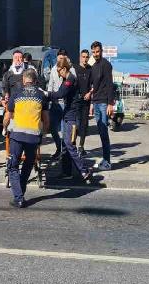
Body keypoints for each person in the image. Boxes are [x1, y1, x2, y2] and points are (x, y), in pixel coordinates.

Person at [3, 68, 49, 208]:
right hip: (33, 137)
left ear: (24, 80)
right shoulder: (41, 96)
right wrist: (44, 134)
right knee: (28, 164)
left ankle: (19, 198)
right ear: (35, 81)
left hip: (17, 136)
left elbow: (7, 116)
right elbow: (46, 120)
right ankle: (20, 192)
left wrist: (5, 128)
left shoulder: (16, 94)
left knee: (13, 166)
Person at [46, 57, 93, 182]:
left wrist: (47, 94)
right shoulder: (66, 79)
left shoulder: (70, 79)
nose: (58, 73)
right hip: (68, 115)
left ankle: (84, 170)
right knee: (65, 146)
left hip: (72, 117)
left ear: (64, 69)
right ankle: (67, 172)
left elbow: (60, 94)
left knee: (69, 144)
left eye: (59, 70)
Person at [89, 41, 115, 171]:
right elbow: (93, 86)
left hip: (104, 102)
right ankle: (105, 159)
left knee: (104, 132)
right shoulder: (93, 65)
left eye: (97, 51)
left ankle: (108, 162)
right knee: (101, 131)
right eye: (93, 52)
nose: (95, 54)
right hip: (96, 101)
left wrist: (111, 103)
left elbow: (110, 85)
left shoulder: (106, 65)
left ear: (101, 51)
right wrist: (92, 103)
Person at [47, 49, 73, 159]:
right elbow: (50, 85)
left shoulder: (71, 70)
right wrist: (49, 98)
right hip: (55, 103)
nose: (61, 59)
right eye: (59, 57)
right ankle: (59, 148)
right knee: (52, 128)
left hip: (66, 104)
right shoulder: (53, 69)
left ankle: (64, 152)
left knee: (64, 130)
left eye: (63, 58)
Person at [75, 49, 92, 157]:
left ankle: (81, 146)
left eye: (87, 57)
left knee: (84, 125)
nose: (85, 59)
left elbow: (94, 84)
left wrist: (90, 93)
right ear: (80, 57)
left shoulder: (91, 69)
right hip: (76, 101)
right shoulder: (75, 69)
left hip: (86, 101)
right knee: (75, 124)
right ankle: (72, 145)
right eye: (83, 57)